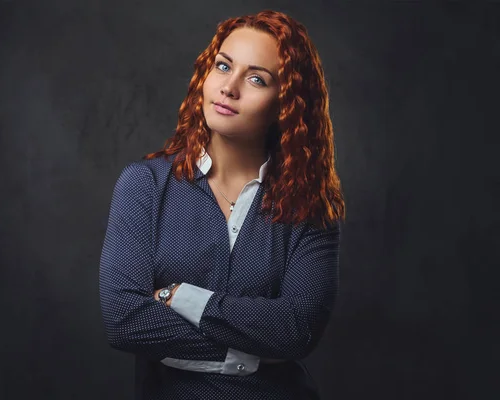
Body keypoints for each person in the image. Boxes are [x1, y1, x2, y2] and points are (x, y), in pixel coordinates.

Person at [99, 9, 346, 400]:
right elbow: (124, 319)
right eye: (223, 66)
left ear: (286, 104)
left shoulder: (308, 207)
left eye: (255, 78)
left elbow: (298, 329)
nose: (229, 87)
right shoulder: (144, 185)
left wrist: (185, 298)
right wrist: (249, 353)